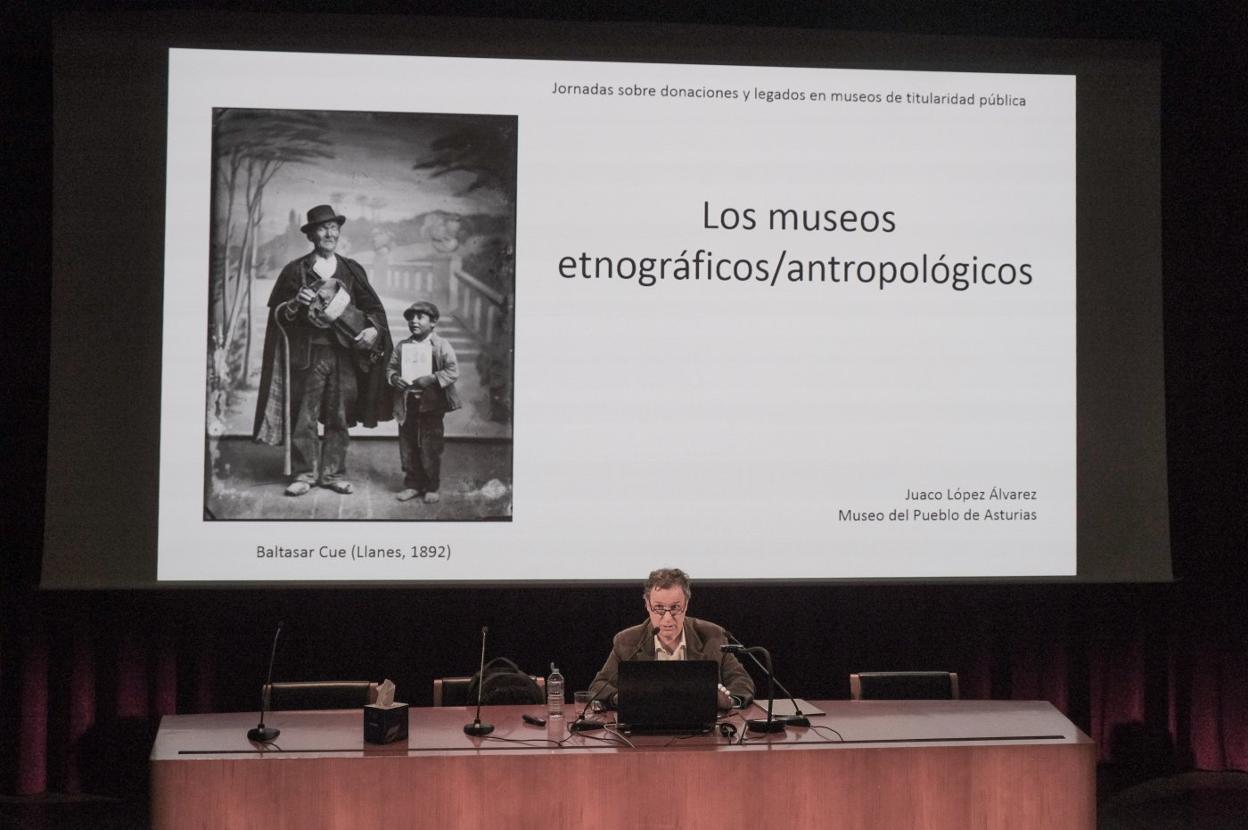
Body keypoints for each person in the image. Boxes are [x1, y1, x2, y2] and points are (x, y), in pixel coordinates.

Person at [253, 204, 393, 495]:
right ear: (311, 235)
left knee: (339, 415)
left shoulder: (352, 269)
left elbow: (374, 310)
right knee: (304, 416)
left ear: (339, 232)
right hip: (308, 355)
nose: (329, 233)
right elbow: (278, 316)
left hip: (345, 355)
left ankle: (332, 474)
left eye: (333, 228)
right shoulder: (295, 270)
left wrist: (372, 329)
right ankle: (304, 474)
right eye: (322, 228)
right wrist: (294, 305)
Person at [590, 568, 754, 710]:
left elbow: (742, 681)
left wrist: (730, 700)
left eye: (675, 608)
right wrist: (622, 697)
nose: (667, 618)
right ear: (647, 605)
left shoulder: (713, 635)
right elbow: (598, 686)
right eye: (659, 608)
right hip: (645, 726)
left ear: (686, 605)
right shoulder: (627, 641)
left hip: (700, 727)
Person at [387, 300, 462, 504]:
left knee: (430, 444)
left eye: (420, 317)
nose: (414, 321)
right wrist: (395, 379)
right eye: (411, 318)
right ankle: (412, 484)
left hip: (432, 403)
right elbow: (391, 368)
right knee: (408, 442)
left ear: (433, 322)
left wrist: (432, 378)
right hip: (407, 402)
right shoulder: (403, 346)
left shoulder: (441, 346)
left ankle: (431, 485)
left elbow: (452, 370)